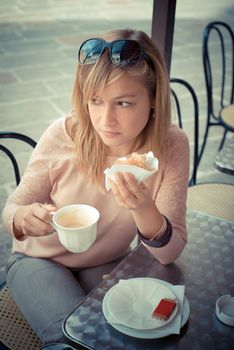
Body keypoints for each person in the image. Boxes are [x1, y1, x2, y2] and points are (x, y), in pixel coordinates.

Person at [2, 28, 189, 344]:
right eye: (95, 101)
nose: (105, 120)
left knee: (142, 332)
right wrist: (23, 217)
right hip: (39, 261)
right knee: (75, 339)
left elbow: (169, 254)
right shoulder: (62, 135)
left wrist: (143, 208)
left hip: (108, 260)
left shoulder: (171, 145)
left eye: (124, 103)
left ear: (154, 99)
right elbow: (11, 209)